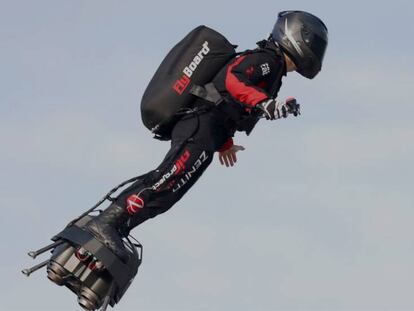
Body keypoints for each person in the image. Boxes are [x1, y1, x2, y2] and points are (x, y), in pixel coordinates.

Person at [83, 10, 328, 262]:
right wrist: (266, 103)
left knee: (169, 194)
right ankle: (106, 222)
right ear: (299, 36)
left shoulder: (275, 71)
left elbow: (229, 105)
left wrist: (225, 143)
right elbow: (233, 80)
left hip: (208, 132)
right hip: (198, 123)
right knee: (168, 177)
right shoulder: (268, 59)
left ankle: (118, 228)